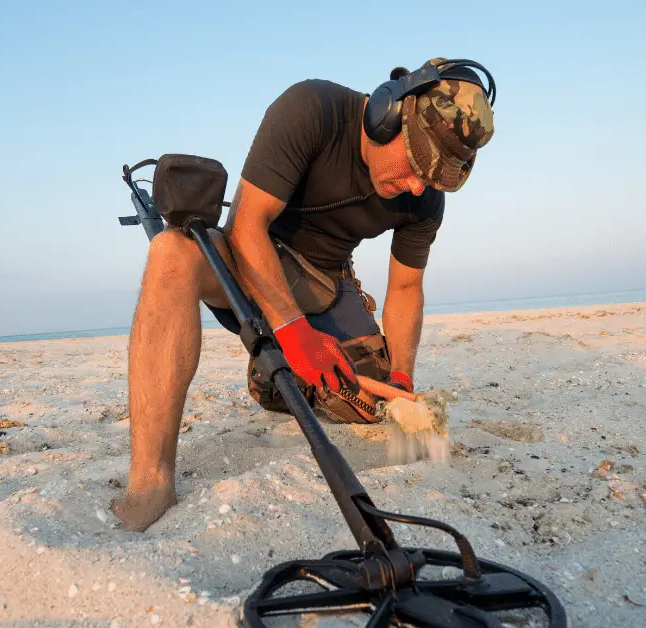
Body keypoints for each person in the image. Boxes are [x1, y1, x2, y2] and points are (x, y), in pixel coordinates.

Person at [112, 57, 496, 532]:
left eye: (435, 177)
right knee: (171, 252)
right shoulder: (312, 109)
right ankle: (150, 481)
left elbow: (405, 286)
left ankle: (270, 377)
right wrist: (294, 334)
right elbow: (249, 223)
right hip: (248, 259)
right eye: (416, 162)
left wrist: (400, 376)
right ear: (386, 114)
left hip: (325, 284)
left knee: (367, 401)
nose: (418, 184)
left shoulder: (424, 198)